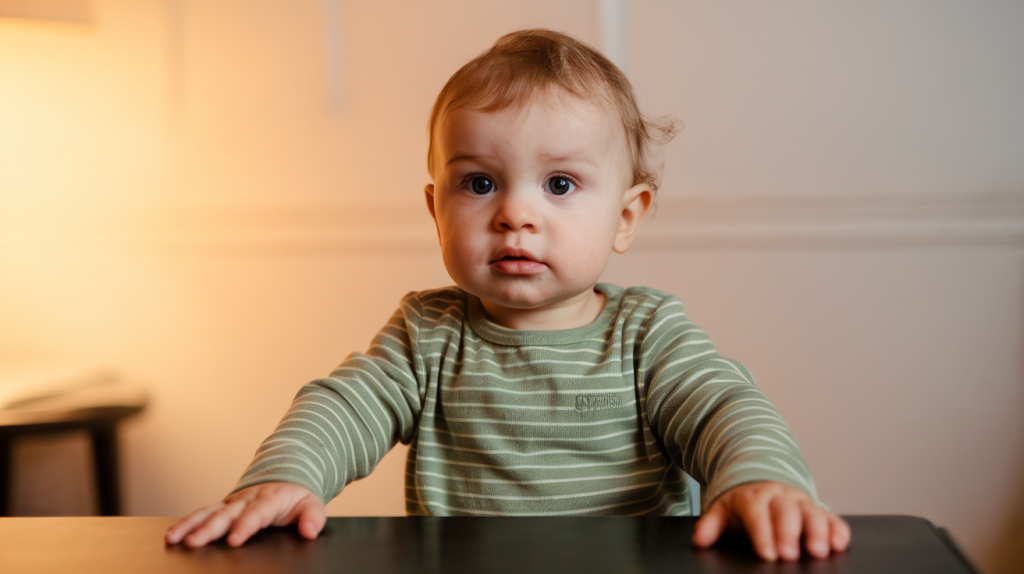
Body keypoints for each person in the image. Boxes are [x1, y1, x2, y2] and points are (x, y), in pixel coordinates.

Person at [166, 28, 850, 562]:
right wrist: (287, 477)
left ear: (626, 217)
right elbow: (345, 405)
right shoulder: (425, 335)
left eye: (559, 184)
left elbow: (722, 407)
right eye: (480, 183)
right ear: (436, 211)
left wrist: (756, 478)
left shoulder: (647, 334)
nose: (515, 214)